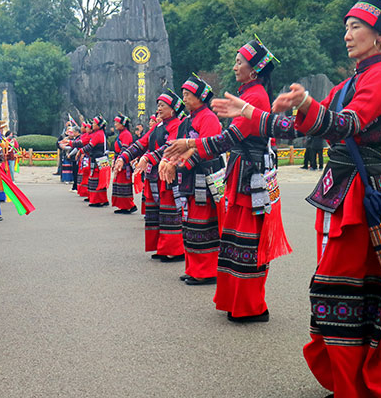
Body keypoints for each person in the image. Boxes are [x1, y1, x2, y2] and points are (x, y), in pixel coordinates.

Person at [212, 0, 381, 397]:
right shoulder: (349, 82)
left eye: (356, 28)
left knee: (353, 287)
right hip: (344, 194)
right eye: (346, 28)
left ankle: (367, 381)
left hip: (365, 196)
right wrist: (251, 113)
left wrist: (305, 104)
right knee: (347, 287)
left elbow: (346, 125)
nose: (348, 36)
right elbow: (296, 130)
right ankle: (354, 379)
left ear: (379, 37)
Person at [166, 38, 287, 323]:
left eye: (239, 62)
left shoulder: (255, 97)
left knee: (246, 242)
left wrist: (190, 146)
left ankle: (250, 305)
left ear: (254, 70)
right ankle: (240, 302)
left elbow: (230, 139)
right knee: (236, 241)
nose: (234, 67)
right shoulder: (249, 94)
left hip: (250, 179)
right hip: (241, 172)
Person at [160, 75, 223, 285]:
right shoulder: (188, 121)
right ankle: (194, 268)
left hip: (204, 178)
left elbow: (204, 149)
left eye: (187, 94)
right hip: (188, 178)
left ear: (199, 97)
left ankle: (207, 271)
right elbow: (177, 146)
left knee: (203, 224)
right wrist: (168, 160)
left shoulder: (209, 118)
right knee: (189, 224)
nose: (184, 98)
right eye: (184, 94)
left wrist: (179, 164)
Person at [115, 91, 186, 261]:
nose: (159, 109)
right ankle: (162, 247)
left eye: (162, 105)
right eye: (158, 105)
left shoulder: (177, 125)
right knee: (156, 212)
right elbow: (141, 144)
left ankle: (175, 249)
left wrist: (148, 157)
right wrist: (123, 158)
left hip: (168, 174)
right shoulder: (158, 127)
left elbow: (170, 147)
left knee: (170, 212)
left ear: (173, 109)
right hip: (153, 174)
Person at [62, 116, 109, 207]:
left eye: (93, 124)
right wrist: (72, 144)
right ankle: (99, 199)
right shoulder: (97, 133)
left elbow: (89, 146)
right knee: (96, 179)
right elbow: (83, 143)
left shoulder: (98, 134)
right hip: (97, 159)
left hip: (98, 159)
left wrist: (80, 150)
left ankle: (99, 200)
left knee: (97, 179)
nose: (89, 127)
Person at [111, 114, 137, 214]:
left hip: (124, 163)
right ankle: (123, 206)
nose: (115, 124)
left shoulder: (126, 134)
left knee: (124, 185)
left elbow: (124, 149)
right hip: (119, 159)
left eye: (117, 122)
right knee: (119, 184)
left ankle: (129, 206)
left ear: (123, 124)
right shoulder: (121, 134)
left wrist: (118, 160)